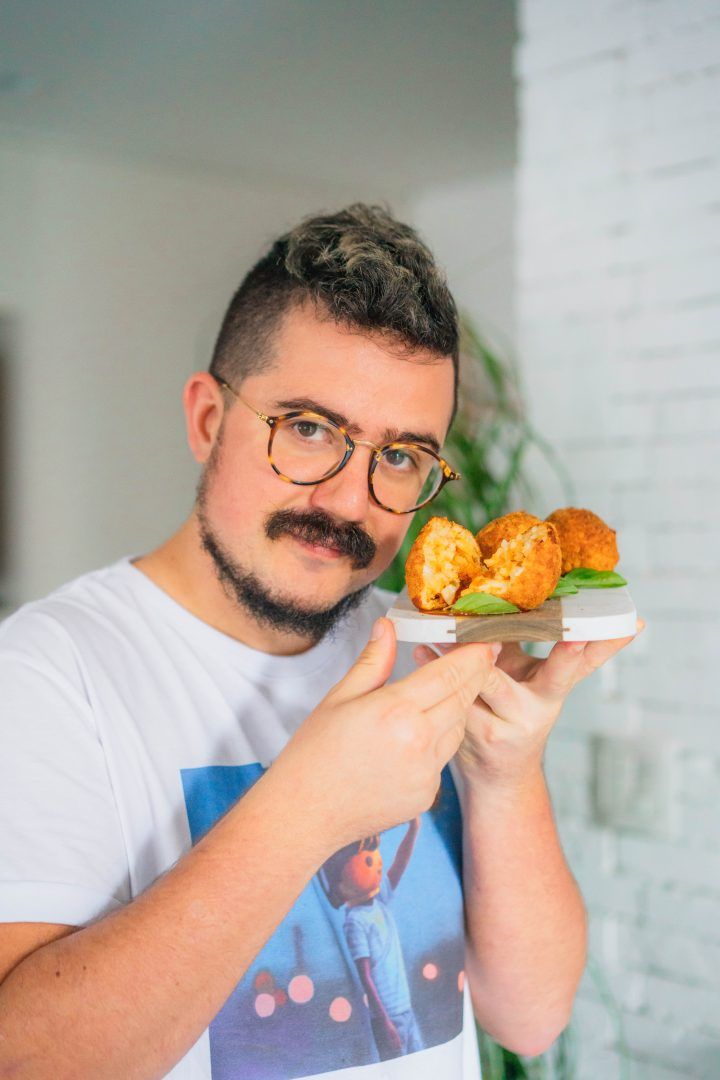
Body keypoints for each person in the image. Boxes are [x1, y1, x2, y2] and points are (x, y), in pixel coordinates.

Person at [0, 204, 642, 1079]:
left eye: (403, 455)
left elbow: (531, 1018)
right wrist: (308, 807)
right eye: (308, 428)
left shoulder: (426, 645)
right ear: (206, 419)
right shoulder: (46, 672)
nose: (349, 500)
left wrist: (505, 768)